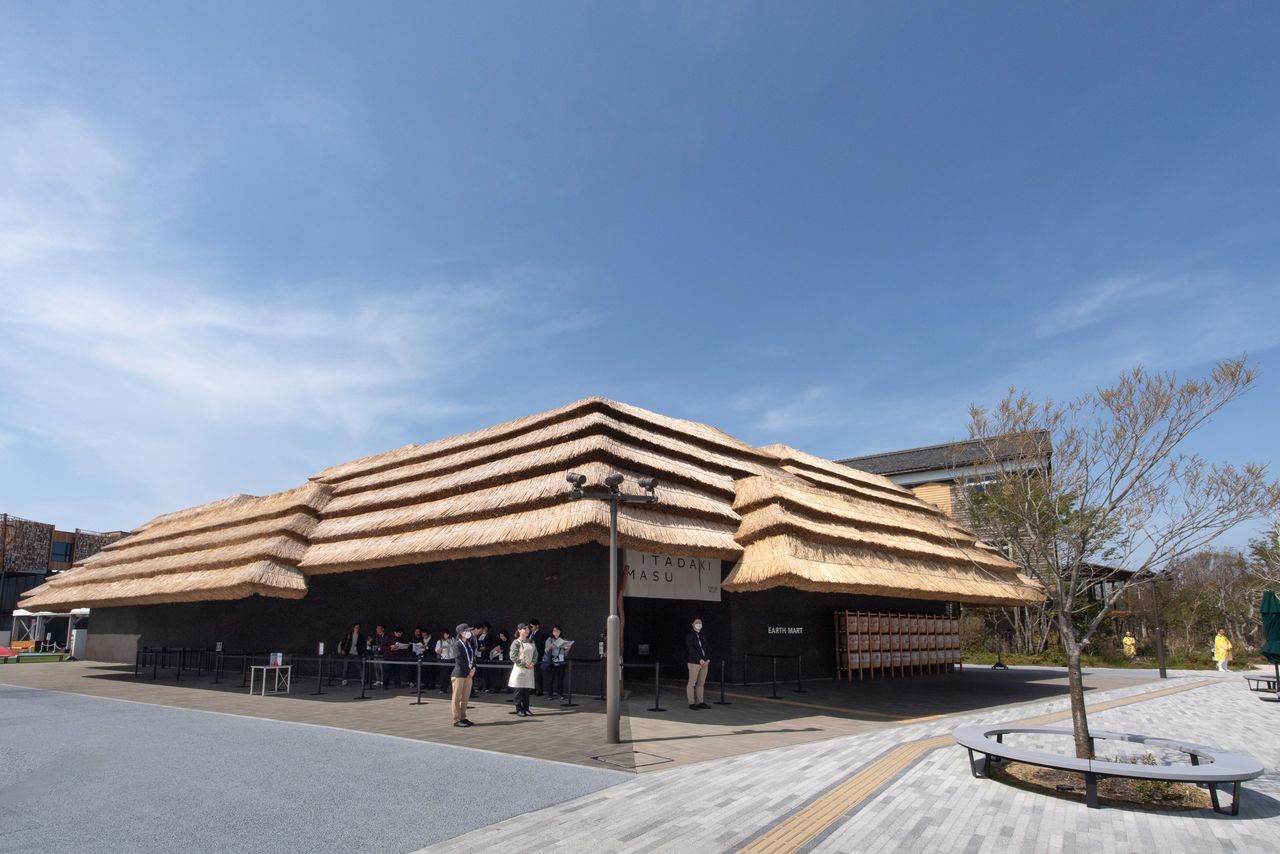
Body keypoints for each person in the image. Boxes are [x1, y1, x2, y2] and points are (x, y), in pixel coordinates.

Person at [508, 623, 537, 716]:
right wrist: (523, 664)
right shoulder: (516, 642)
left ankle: (526, 708)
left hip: (529, 668)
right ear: (519, 630)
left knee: (527, 690)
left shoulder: (531, 641)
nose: (527, 631)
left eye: (528, 629)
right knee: (519, 690)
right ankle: (519, 709)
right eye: (525, 629)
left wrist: (533, 662)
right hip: (520, 669)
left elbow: (535, 654)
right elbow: (513, 656)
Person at [451, 622, 477, 727]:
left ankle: (463, 717)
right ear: (461, 633)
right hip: (459, 674)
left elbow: (473, 657)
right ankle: (457, 719)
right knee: (457, 698)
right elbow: (459, 660)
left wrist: (473, 668)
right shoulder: (457, 644)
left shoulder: (469, 644)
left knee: (465, 697)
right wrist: (469, 670)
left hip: (468, 674)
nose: (469, 633)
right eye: (467, 631)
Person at [685, 617, 710, 710]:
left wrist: (708, 659)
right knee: (691, 683)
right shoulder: (690, 635)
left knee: (701, 683)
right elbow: (691, 649)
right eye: (696, 622)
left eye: (700, 622)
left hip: (704, 663)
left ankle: (700, 702)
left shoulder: (703, 635)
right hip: (694, 662)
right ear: (692, 624)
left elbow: (707, 648)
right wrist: (699, 659)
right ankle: (691, 703)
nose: (699, 624)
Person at [544, 625, 573, 698]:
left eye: (557, 631)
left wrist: (567, 649)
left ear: (560, 631)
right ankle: (550, 694)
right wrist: (550, 647)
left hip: (561, 659)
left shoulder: (563, 640)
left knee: (560, 677)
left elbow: (565, 653)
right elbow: (546, 650)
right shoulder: (550, 639)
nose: (555, 632)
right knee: (551, 677)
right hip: (552, 659)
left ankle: (560, 693)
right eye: (554, 631)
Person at [527, 619, 546, 696]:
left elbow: (538, 645)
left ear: (537, 626)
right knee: (531, 673)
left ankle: (539, 689)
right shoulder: (530, 634)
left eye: (532, 626)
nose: (530, 627)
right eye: (530, 626)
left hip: (537, 656)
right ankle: (533, 689)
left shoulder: (540, 634)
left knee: (537, 674)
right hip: (530, 656)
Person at [435, 629, 455, 693]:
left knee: (453, 675)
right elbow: (437, 651)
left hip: (452, 659)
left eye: (447, 634)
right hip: (444, 659)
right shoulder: (440, 641)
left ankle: (454, 689)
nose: (446, 636)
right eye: (445, 634)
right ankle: (443, 689)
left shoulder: (452, 640)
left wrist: (451, 645)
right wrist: (442, 648)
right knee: (444, 675)